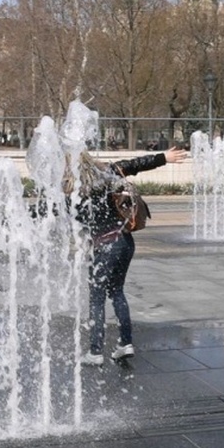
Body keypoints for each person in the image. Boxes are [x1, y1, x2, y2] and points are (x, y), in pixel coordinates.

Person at [71, 147, 187, 365]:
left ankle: (95, 352)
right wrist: (164, 157)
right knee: (116, 291)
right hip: (125, 241)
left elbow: (49, 211)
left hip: (104, 246)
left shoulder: (76, 190)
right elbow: (136, 164)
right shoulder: (110, 172)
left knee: (97, 297)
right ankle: (125, 343)